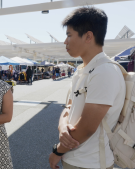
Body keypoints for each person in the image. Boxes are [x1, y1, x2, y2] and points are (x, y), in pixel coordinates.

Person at [49, 7, 125, 169]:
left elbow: (87, 128)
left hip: (92, 163)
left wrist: (57, 151)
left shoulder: (104, 70)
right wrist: (62, 127)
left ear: (88, 36)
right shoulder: (83, 70)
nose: (65, 41)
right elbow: (69, 106)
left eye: (69, 35)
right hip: (75, 159)